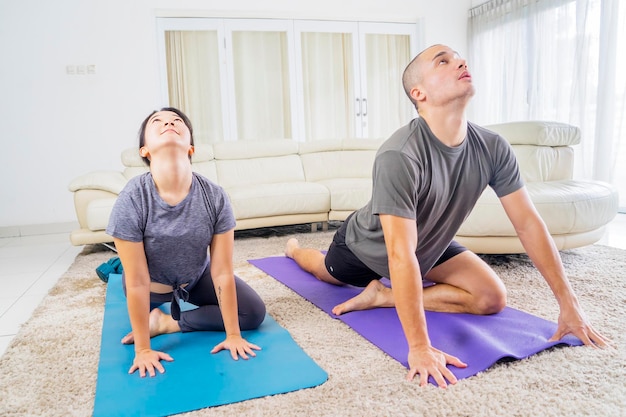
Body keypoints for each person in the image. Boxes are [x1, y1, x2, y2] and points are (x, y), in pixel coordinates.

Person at [285, 44, 610, 388]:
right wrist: (420, 347)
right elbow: (399, 253)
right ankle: (293, 250)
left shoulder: (493, 147)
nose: (460, 62)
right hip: (367, 245)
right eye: (444, 60)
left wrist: (569, 305)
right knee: (324, 272)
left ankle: (383, 296)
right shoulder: (399, 154)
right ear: (419, 93)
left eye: (459, 58)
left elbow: (528, 224)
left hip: (431, 244)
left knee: (491, 298)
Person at [106, 107, 266, 378]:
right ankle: (127, 282)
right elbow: (137, 282)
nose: (168, 122)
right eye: (157, 121)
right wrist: (143, 350)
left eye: (176, 120)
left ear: (191, 147)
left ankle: (167, 322)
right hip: (151, 285)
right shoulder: (131, 199)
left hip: (195, 276)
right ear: (145, 150)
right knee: (130, 287)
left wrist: (233, 334)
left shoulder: (215, 196)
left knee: (253, 313)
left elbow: (222, 271)